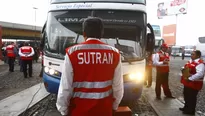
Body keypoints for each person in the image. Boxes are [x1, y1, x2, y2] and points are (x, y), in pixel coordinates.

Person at [56, 17, 124, 116]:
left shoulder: (72, 53)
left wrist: (63, 110)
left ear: (84, 33)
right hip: (104, 111)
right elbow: (118, 87)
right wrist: (114, 107)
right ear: (101, 34)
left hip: (79, 111)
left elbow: (65, 87)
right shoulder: (114, 53)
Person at [179, 50, 204, 115]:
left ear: (198, 55)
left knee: (191, 97)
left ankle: (191, 111)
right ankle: (186, 107)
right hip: (188, 82)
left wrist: (190, 78)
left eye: (193, 54)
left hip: (194, 83)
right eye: (191, 54)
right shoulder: (190, 61)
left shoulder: (200, 63)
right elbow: (187, 68)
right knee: (186, 95)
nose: (191, 55)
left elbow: (200, 74)